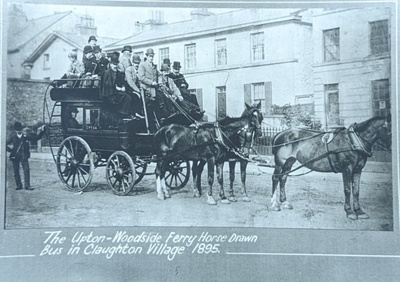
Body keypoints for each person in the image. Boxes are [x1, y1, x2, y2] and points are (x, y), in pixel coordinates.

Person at [6, 121, 46, 191]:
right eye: (17, 130)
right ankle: (19, 185)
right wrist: (11, 151)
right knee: (16, 171)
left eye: (19, 130)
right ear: (15, 130)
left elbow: (36, 138)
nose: (18, 131)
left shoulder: (26, 136)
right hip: (15, 156)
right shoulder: (13, 137)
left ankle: (27, 185)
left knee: (26, 170)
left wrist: (42, 131)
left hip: (24, 156)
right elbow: (3, 144)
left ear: (21, 129)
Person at [100, 54, 135, 120]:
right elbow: (106, 85)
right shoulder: (107, 73)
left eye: (116, 64)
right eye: (114, 64)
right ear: (110, 64)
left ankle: (128, 113)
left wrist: (123, 86)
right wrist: (117, 88)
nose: (115, 66)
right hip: (109, 94)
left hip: (117, 92)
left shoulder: (118, 73)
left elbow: (123, 82)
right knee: (127, 97)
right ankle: (123, 114)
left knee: (131, 96)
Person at [125, 54, 144, 118]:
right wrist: (138, 90)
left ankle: (142, 112)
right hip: (128, 89)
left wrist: (142, 88)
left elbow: (140, 81)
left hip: (136, 89)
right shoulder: (129, 70)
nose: (137, 65)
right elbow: (130, 82)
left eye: (138, 63)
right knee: (135, 96)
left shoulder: (139, 70)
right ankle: (135, 113)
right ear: (132, 63)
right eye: (135, 63)